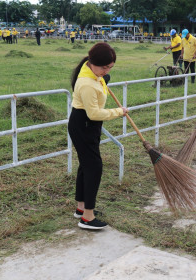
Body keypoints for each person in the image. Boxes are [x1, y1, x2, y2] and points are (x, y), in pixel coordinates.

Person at [68, 42, 128, 230]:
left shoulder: (92, 74)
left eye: (110, 67)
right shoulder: (87, 83)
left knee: (86, 166)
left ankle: (81, 208)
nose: (106, 71)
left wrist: (103, 77)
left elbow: (101, 79)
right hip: (85, 124)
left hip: (86, 125)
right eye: (104, 67)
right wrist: (119, 111)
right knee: (94, 167)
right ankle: (87, 217)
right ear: (93, 63)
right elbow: (94, 113)